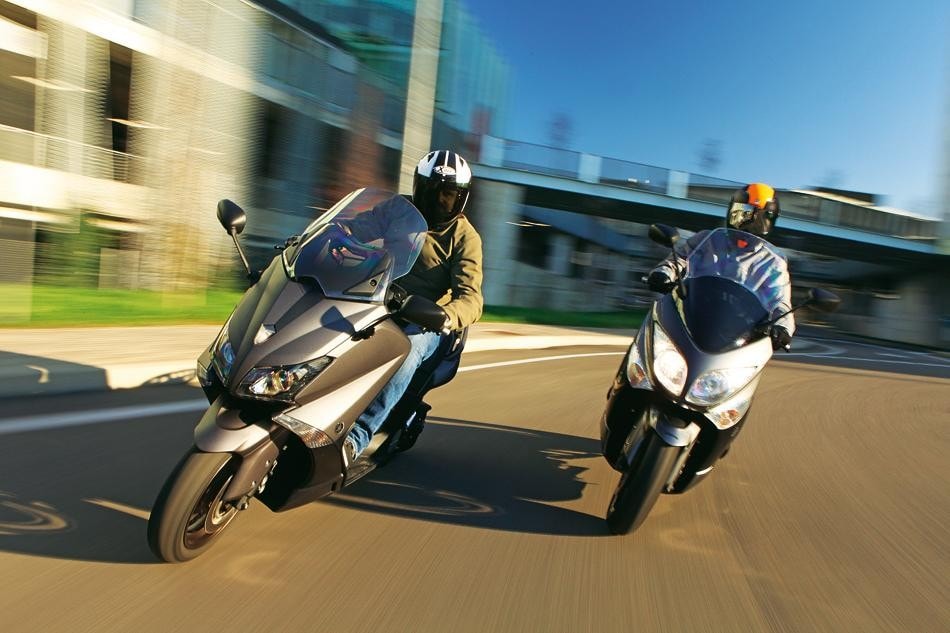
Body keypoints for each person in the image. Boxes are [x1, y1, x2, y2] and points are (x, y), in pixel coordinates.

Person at [343, 150, 484, 461]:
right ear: (418, 187)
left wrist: (445, 316)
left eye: (448, 195)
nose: (438, 201)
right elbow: (354, 229)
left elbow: (471, 298)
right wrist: (324, 239)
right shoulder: (398, 209)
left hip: (424, 319)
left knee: (405, 350)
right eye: (431, 191)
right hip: (377, 298)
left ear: (461, 198)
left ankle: (356, 438)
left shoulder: (465, 237)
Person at [646, 182, 795, 351]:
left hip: (738, 339)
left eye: (754, 218)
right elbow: (679, 259)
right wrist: (663, 273)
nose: (745, 223)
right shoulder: (706, 239)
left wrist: (783, 327)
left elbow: (780, 301)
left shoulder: (773, 263)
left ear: (768, 220)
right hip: (688, 320)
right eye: (740, 213)